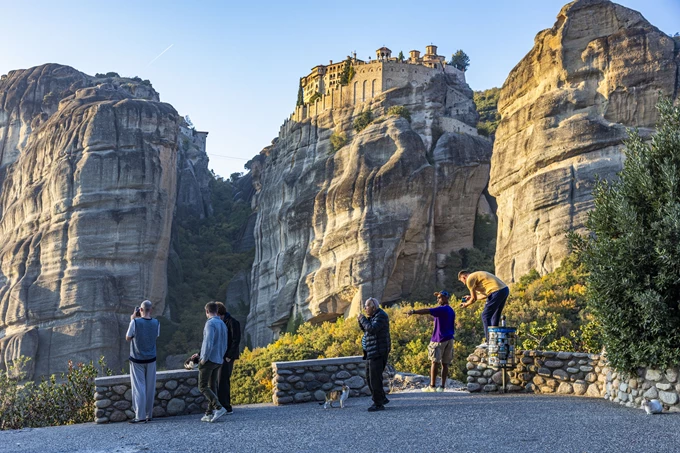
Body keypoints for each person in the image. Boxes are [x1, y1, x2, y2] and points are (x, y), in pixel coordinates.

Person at [406, 290, 456, 392]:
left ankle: (432, 386)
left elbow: (427, 311)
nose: (438, 299)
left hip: (439, 339)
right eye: (437, 297)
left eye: (440, 297)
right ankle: (442, 387)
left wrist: (414, 311)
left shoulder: (442, 309)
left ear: (446, 298)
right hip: (449, 339)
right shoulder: (451, 310)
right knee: (445, 364)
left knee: (434, 362)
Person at [125, 300, 160, 424]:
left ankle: (139, 416)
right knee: (150, 387)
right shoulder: (156, 322)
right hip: (151, 359)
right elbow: (155, 336)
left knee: (139, 387)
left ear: (140, 310)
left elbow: (128, 338)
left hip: (137, 359)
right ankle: (148, 415)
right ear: (151, 310)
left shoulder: (134, 322)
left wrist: (132, 319)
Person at [458, 270, 509, 348]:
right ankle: (494, 340)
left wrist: (466, 304)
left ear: (463, 277)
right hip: (504, 290)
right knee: (495, 315)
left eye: (463, 281)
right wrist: (471, 297)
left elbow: (474, 299)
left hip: (496, 292)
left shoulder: (469, 279)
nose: (464, 284)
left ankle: (489, 341)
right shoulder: (477, 276)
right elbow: (483, 295)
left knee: (485, 315)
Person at [196, 301, 228, 422]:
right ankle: (209, 413)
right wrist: (221, 356)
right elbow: (225, 343)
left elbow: (208, 342)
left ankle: (218, 407)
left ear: (207, 311)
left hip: (209, 359)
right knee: (212, 385)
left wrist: (203, 358)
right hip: (219, 359)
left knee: (202, 386)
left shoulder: (210, 324)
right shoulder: (222, 323)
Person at [357, 297, 391, 412]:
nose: (365, 308)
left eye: (367, 306)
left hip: (378, 352)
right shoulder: (373, 317)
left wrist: (363, 319)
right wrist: (361, 321)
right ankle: (381, 398)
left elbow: (372, 329)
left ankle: (378, 404)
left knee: (374, 379)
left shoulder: (381, 316)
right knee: (370, 377)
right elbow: (366, 330)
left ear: (373, 307)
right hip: (372, 352)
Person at [215, 302, 241, 415]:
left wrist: (229, 356)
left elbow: (236, 340)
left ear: (220, 313)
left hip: (227, 357)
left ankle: (226, 407)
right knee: (220, 381)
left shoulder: (232, 322)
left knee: (223, 380)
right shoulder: (222, 322)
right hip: (221, 356)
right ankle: (223, 405)